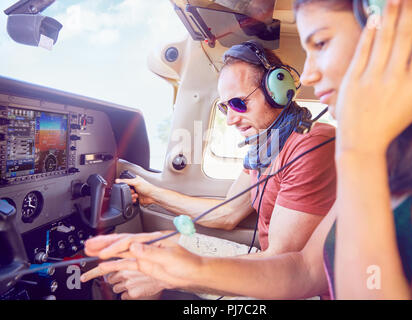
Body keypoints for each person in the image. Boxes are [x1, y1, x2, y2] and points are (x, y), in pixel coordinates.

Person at [82, 0, 412, 299]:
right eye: (225, 108)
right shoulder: (268, 147)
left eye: (321, 43)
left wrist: (359, 152)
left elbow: (292, 266)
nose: (310, 75)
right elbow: (295, 262)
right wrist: (180, 250)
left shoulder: (322, 145)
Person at [81, 40, 337, 299]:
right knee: (154, 246)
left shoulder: (311, 145)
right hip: (274, 266)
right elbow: (227, 213)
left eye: (239, 103)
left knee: (156, 267)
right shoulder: (265, 148)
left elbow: (286, 269)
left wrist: (170, 275)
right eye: (225, 107)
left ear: (278, 90)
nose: (231, 119)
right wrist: (154, 193)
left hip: (299, 287)